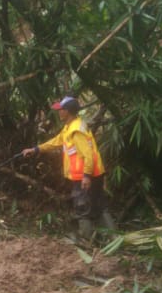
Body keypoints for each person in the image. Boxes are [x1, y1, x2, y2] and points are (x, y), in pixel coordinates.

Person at [21, 96, 114, 239]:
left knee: (82, 207)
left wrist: (86, 176)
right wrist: (36, 149)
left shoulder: (76, 131)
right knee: (99, 205)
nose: (59, 112)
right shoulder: (69, 127)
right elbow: (56, 141)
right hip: (93, 174)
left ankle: (86, 239)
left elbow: (88, 155)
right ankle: (114, 237)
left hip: (85, 176)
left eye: (61, 109)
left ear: (68, 111)